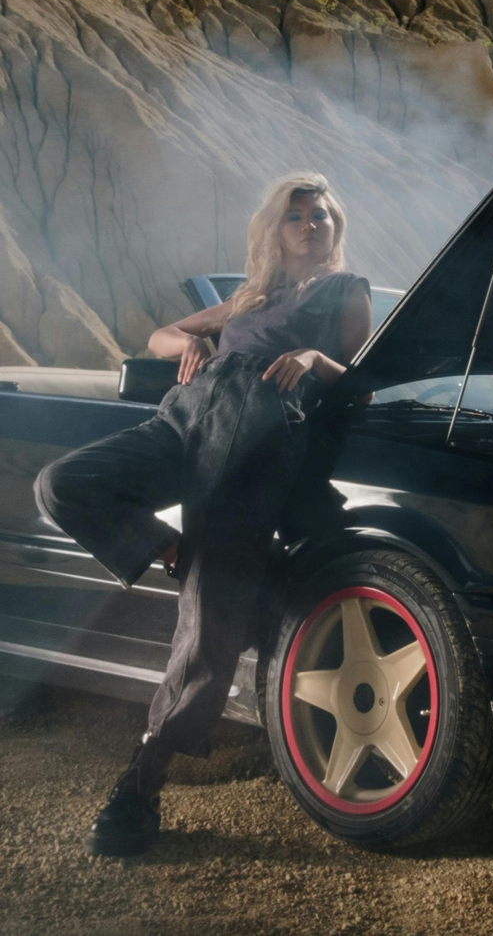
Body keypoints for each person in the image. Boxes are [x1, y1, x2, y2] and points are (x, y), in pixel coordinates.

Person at [33, 172, 373, 857]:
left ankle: (142, 780)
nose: (311, 223)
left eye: (322, 214)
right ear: (276, 229)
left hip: (254, 431)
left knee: (206, 617)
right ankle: (173, 551)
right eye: (297, 215)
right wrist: (187, 346)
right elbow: (161, 334)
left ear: (336, 227)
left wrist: (313, 357)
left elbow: (364, 376)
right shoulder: (250, 297)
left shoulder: (347, 290)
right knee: (64, 482)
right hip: (186, 414)